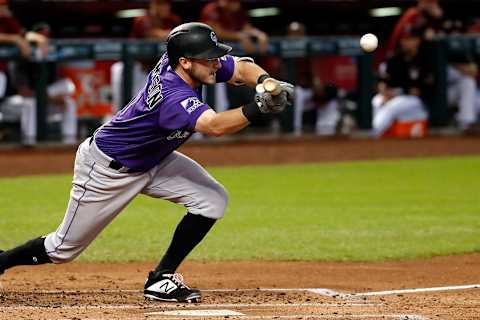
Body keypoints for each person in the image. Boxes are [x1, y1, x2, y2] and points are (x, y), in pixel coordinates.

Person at [0, 22, 294, 303]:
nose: (216, 63)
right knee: (61, 249)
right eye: (209, 59)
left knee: (212, 199)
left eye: (215, 57)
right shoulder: (172, 94)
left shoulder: (186, 64)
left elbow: (241, 67)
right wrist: (257, 108)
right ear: (186, 62)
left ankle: (161, 277)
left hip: (154, 159)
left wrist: (267, 81)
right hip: (107, 168)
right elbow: (214, 126)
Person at [387, 0, 478, 132]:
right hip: (423, 83)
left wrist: (438, 18)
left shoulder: (441, 17)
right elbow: (404, 39)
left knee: (467, 82)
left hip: (440, 79)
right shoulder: (414, 15)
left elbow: (451, 42)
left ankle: (466, 123)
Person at [0, 21, 77, 145]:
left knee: (69, 102)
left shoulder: (51, 59)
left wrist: (49, 98)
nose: (44, 42)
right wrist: (49, 98)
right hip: (12, 105)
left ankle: (69, 141)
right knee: (29, 104)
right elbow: (23, 92)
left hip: (42, 101)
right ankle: (29, 143)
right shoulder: (19, 59)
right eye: (41, 37)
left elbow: (60, 88)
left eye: (46, 37)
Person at [372, 26, 431, 137]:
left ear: (417, 40)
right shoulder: (395, 59)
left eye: (409, 39)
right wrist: (384, 93)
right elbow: (383, 81)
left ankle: (372, 134)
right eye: (404, 39)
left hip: (416, 101)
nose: (405, 43)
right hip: (395, 96)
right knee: (376, 101)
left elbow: (418, 90)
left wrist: (396, 93)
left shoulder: (424, 59)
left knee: (392, 105)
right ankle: (377, 131)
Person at [200, 0, 268, 55]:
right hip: (211, 44)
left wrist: (260, 35)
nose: (237, 4)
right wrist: (239, 37)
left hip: (233, 42)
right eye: (233, 2)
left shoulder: (238, 11)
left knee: (270, 46)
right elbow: (215, 33)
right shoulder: (211, 9)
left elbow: (247, 28)